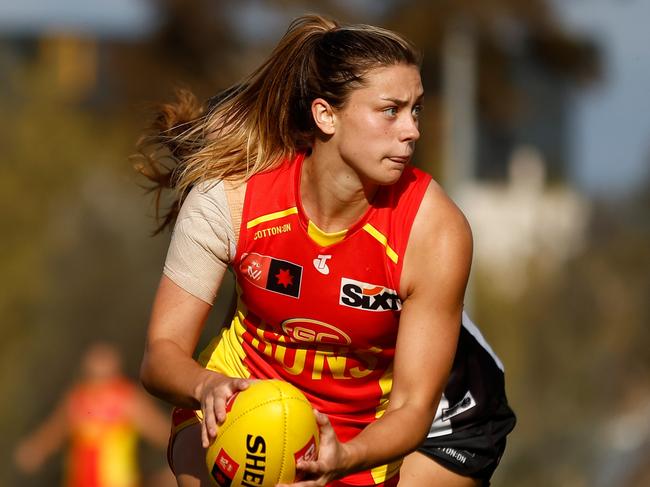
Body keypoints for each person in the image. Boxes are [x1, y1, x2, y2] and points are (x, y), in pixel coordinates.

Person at [136, 14, 515, 487]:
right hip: (254, 386)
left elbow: (412, 408)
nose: (412, 130)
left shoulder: (435, 230)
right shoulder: (230, 198)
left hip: (421, 414)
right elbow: (160, 356)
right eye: (391, 110)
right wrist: (206, 385)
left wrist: (345, 458)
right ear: (325, 115)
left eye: (415, 109)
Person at [14, 341, 176, 487]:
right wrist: (36, 449)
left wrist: (174, 469)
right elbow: (55, 431)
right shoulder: (77, 399)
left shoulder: (128, 399)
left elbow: (165, 434)